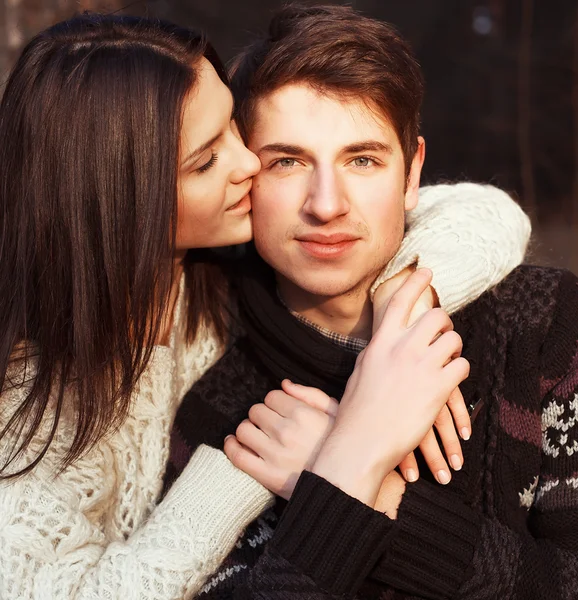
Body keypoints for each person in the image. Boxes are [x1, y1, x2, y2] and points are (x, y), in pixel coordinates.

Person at [0, 10, 529, 600]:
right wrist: (256, 467)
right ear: (122, 201)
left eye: (232, 126)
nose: (250, 162)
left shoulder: (221, 276)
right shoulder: (28, 403)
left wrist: (406, 303)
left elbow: (482, 211)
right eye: (207, 160)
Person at [170, 5, 578, 599]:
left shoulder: (548, 326)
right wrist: (353, 466)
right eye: (288, 162)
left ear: (411, 174)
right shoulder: (215, 408)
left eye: (363, 160)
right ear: (245, 177)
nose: (326, 204)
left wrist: (361, 487)